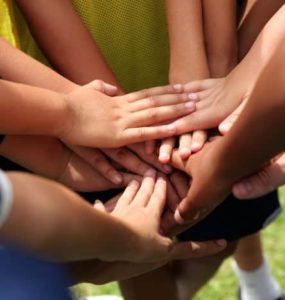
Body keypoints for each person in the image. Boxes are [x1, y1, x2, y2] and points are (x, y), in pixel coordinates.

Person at [12, 1, 282, 299]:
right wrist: (87, 107)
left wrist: (216, 56)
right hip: (68, 98)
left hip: (199, 71)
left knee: (219, 237)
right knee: (143, 259)